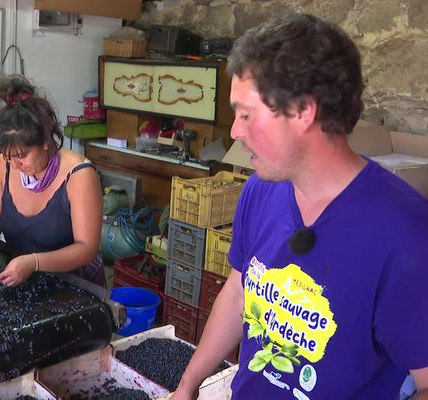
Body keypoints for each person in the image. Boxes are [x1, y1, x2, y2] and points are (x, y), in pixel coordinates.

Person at [173, 14, 428, 400]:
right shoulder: (259, 191)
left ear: (303, 112)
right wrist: (188, 384)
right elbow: (240, 290)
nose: (235, 132)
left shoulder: (404, 231)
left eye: (246, 115)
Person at [0, 74, 105, 287]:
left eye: (22, 156)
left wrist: (34, 262)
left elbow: (86, 248)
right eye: (9, 156)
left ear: (45, 142)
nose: (15, 165)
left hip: (75, 284)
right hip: (23, 279)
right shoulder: (4, 165)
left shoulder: (79, 175)